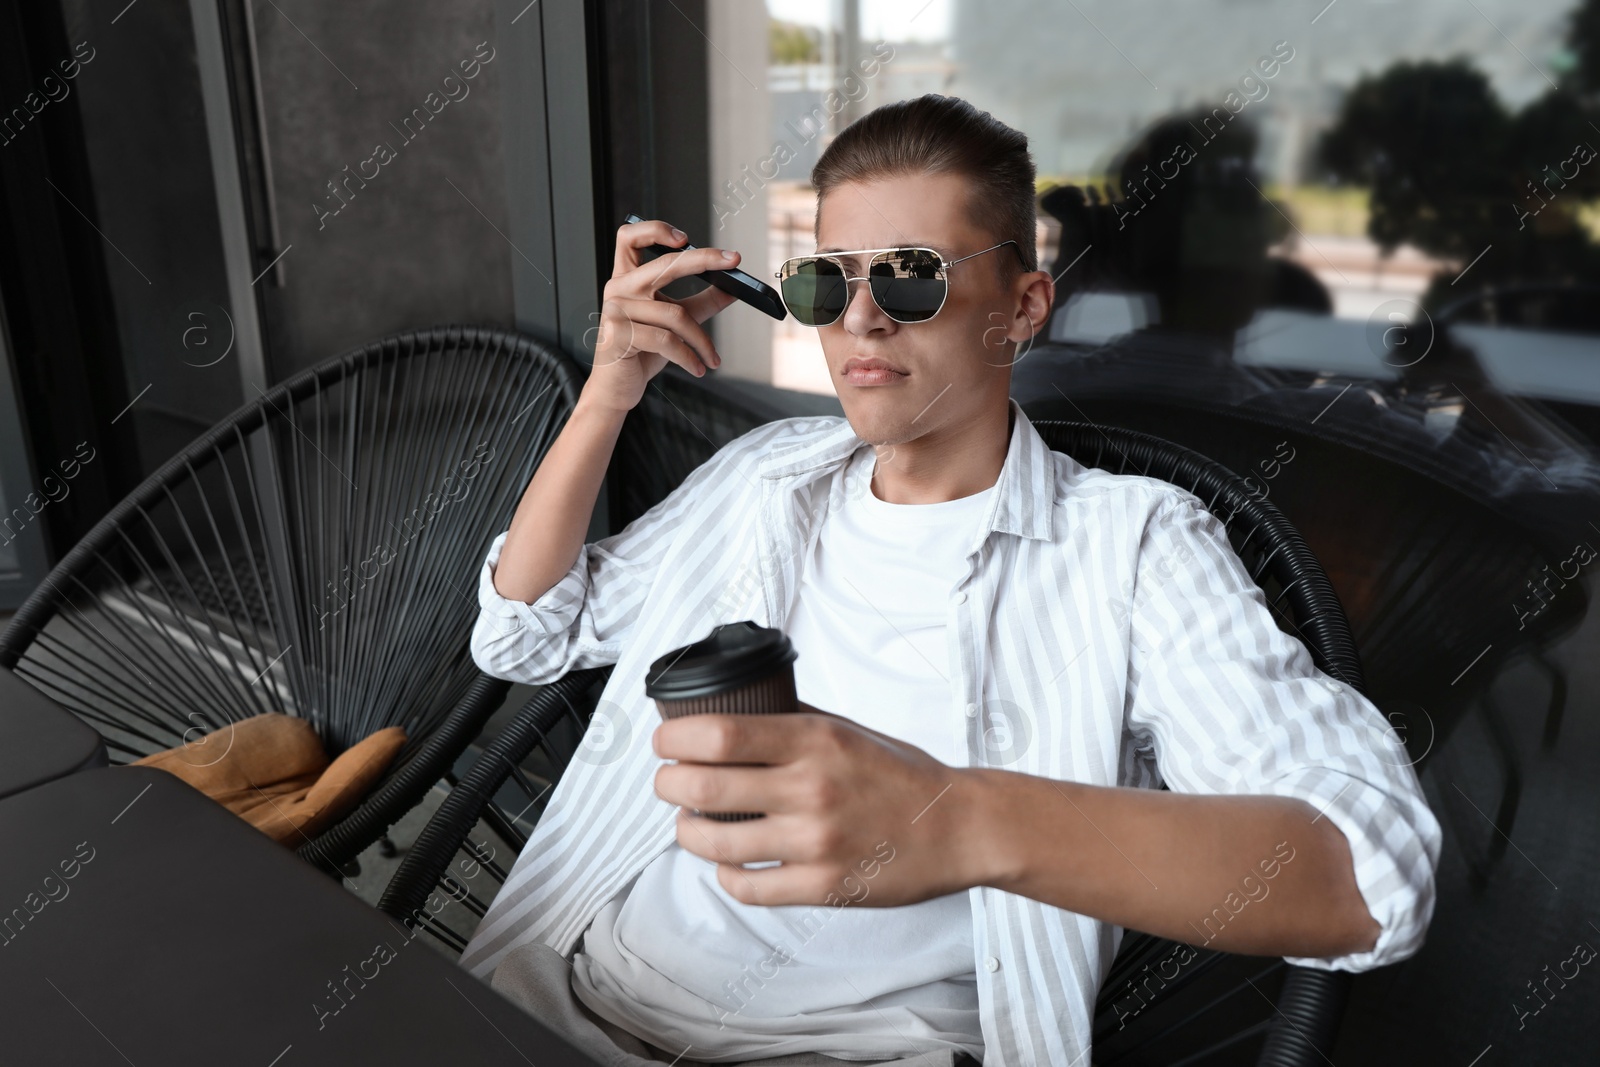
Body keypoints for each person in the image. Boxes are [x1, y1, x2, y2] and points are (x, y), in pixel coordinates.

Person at [458, 94, 1441, 1067]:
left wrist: (961, 817)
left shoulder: (1132, 545)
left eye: (911, 278)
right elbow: (524, 635)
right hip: (564, 993)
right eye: (823, 283)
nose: (860, 320)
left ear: (1021, 307)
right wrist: (607, 392)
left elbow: (1367, 874)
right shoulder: (763, 478)